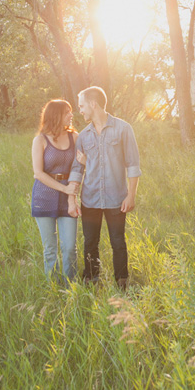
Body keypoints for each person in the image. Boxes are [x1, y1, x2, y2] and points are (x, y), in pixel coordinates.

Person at [69, 86, 141, 289]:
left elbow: (133, 165)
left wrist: (131, 196)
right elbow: (77, 168)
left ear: (93, 104)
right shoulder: (83, 136)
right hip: (90, 198)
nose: (80, 110)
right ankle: (91, 280)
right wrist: (72, 198)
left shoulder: (123, 129)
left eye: (82, 106)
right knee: (90, 242)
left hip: (116, 198)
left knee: (118, 242)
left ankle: (122, 283)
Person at [31, 99, 81, 282]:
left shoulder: (74, 137)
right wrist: (65, 188)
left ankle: (71, 288)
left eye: (71, 111)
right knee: (50, 249)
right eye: (67, 112)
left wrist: (70, 193)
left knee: (69, 247)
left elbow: (80, 164)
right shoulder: (40, 140)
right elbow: (38, 173)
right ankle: (53, 288)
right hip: (43, 197)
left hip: (68, 199)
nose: (71, 115)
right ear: (56, 115)